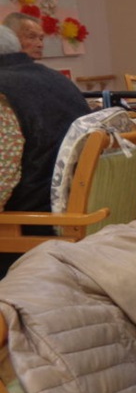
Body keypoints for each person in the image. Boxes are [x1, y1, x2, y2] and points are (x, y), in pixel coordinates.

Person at [0, 24, 90, 275]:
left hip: (31, 227)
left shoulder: (3, 94)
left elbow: (2, 179)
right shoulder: (57, 79)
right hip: (75, 208)